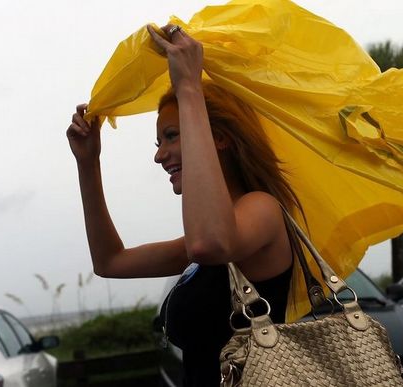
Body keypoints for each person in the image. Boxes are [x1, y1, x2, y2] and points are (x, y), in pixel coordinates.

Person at [66, 24, 302, 386]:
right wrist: (88, 163)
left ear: (218, 138)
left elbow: (209, 242)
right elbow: (110, 262)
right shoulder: (203, 241)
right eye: (158, 142)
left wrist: (189, 87)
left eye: (171, 136)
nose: (159, 155)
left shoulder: (262, 210)